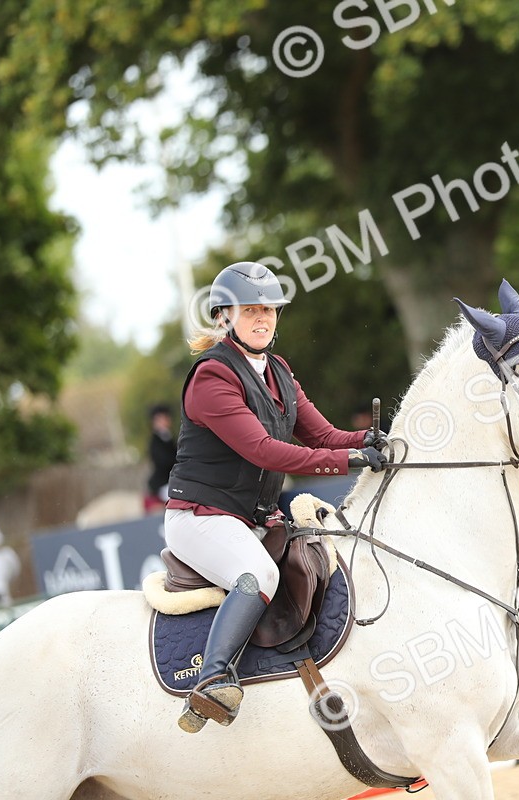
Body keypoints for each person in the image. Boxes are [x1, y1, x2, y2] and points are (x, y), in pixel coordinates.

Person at [164, 261, 389, 734]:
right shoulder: (211, 377)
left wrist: (369, 441)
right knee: (259, 572)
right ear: (224, 316)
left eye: (269, 309)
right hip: (200, 516)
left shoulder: (279, 371)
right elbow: (264, 450)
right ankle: (212, 679)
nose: (263, 319)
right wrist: (346, 463)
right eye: (251, 310)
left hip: (251, 518)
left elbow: (323, 434)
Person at [144, 403, 178, 513]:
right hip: (163, 482)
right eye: (160, 419)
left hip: (174, 479)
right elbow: (163, 461)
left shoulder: (170, 437)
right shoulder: (154, 442)